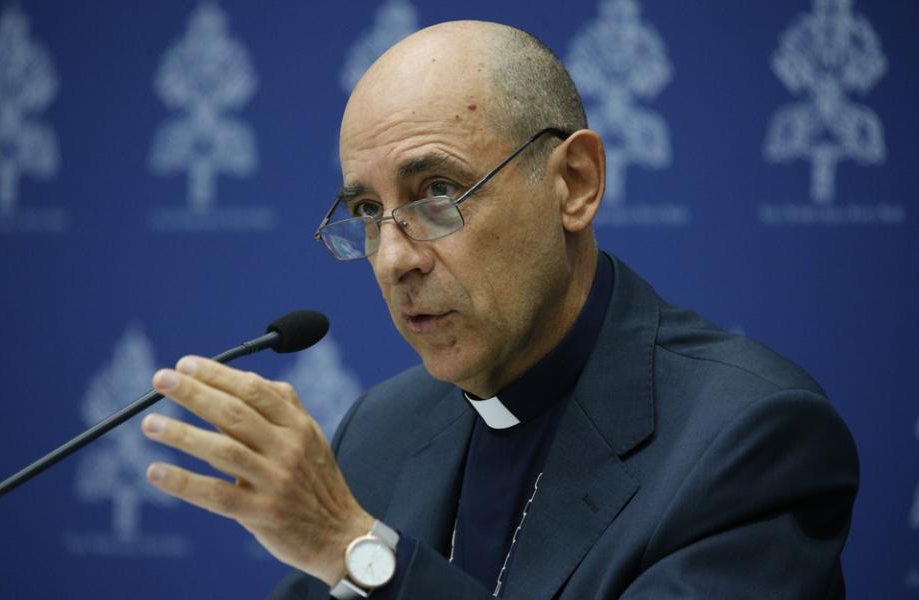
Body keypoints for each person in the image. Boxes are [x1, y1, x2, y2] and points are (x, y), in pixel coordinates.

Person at [139, 21, 859, 599]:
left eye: (437, 192)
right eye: (367, 209)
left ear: (574, 183)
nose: (393, 258)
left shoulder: (748, 439)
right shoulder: (381, 431)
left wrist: (358, 554)